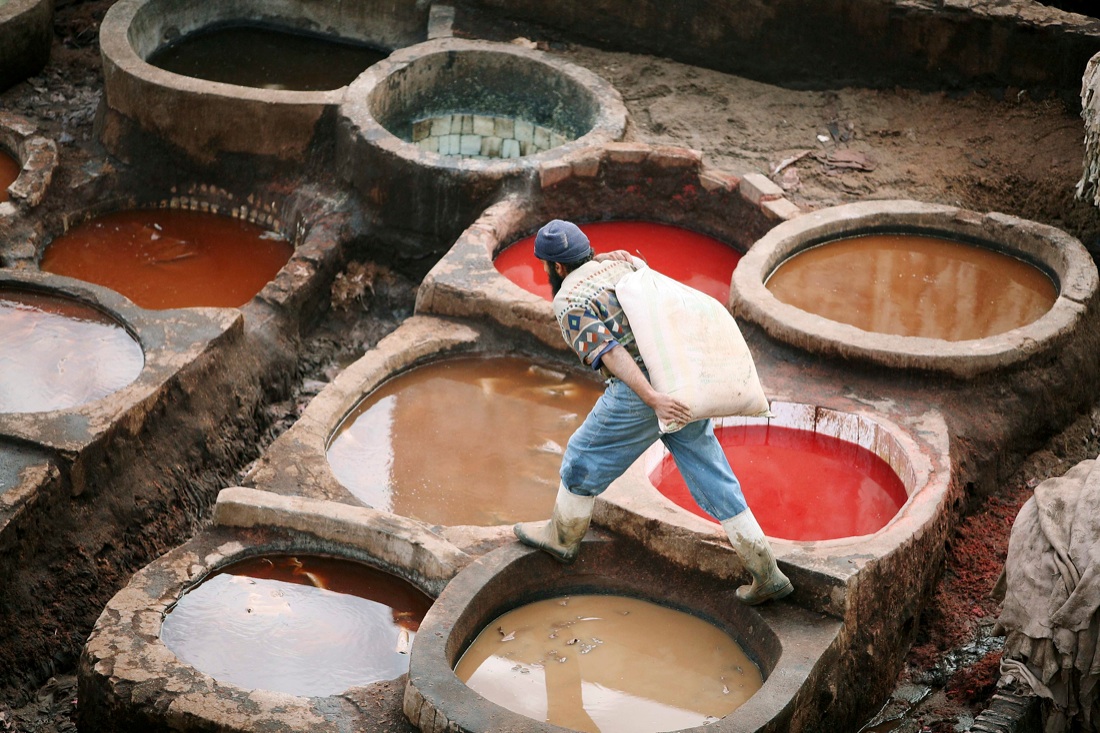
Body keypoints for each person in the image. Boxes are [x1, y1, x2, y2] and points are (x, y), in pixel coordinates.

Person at [513, 219, 793, 605]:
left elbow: (611, 351)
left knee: (580, 456)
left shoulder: (568, 301)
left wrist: (652, 398)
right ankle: (766, 572)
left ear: (557, 268)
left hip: (642, 391)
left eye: (545, 266)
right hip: (678, 378)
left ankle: (562, 540)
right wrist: (667, 394)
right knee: (712, 474)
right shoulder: (622, 263)